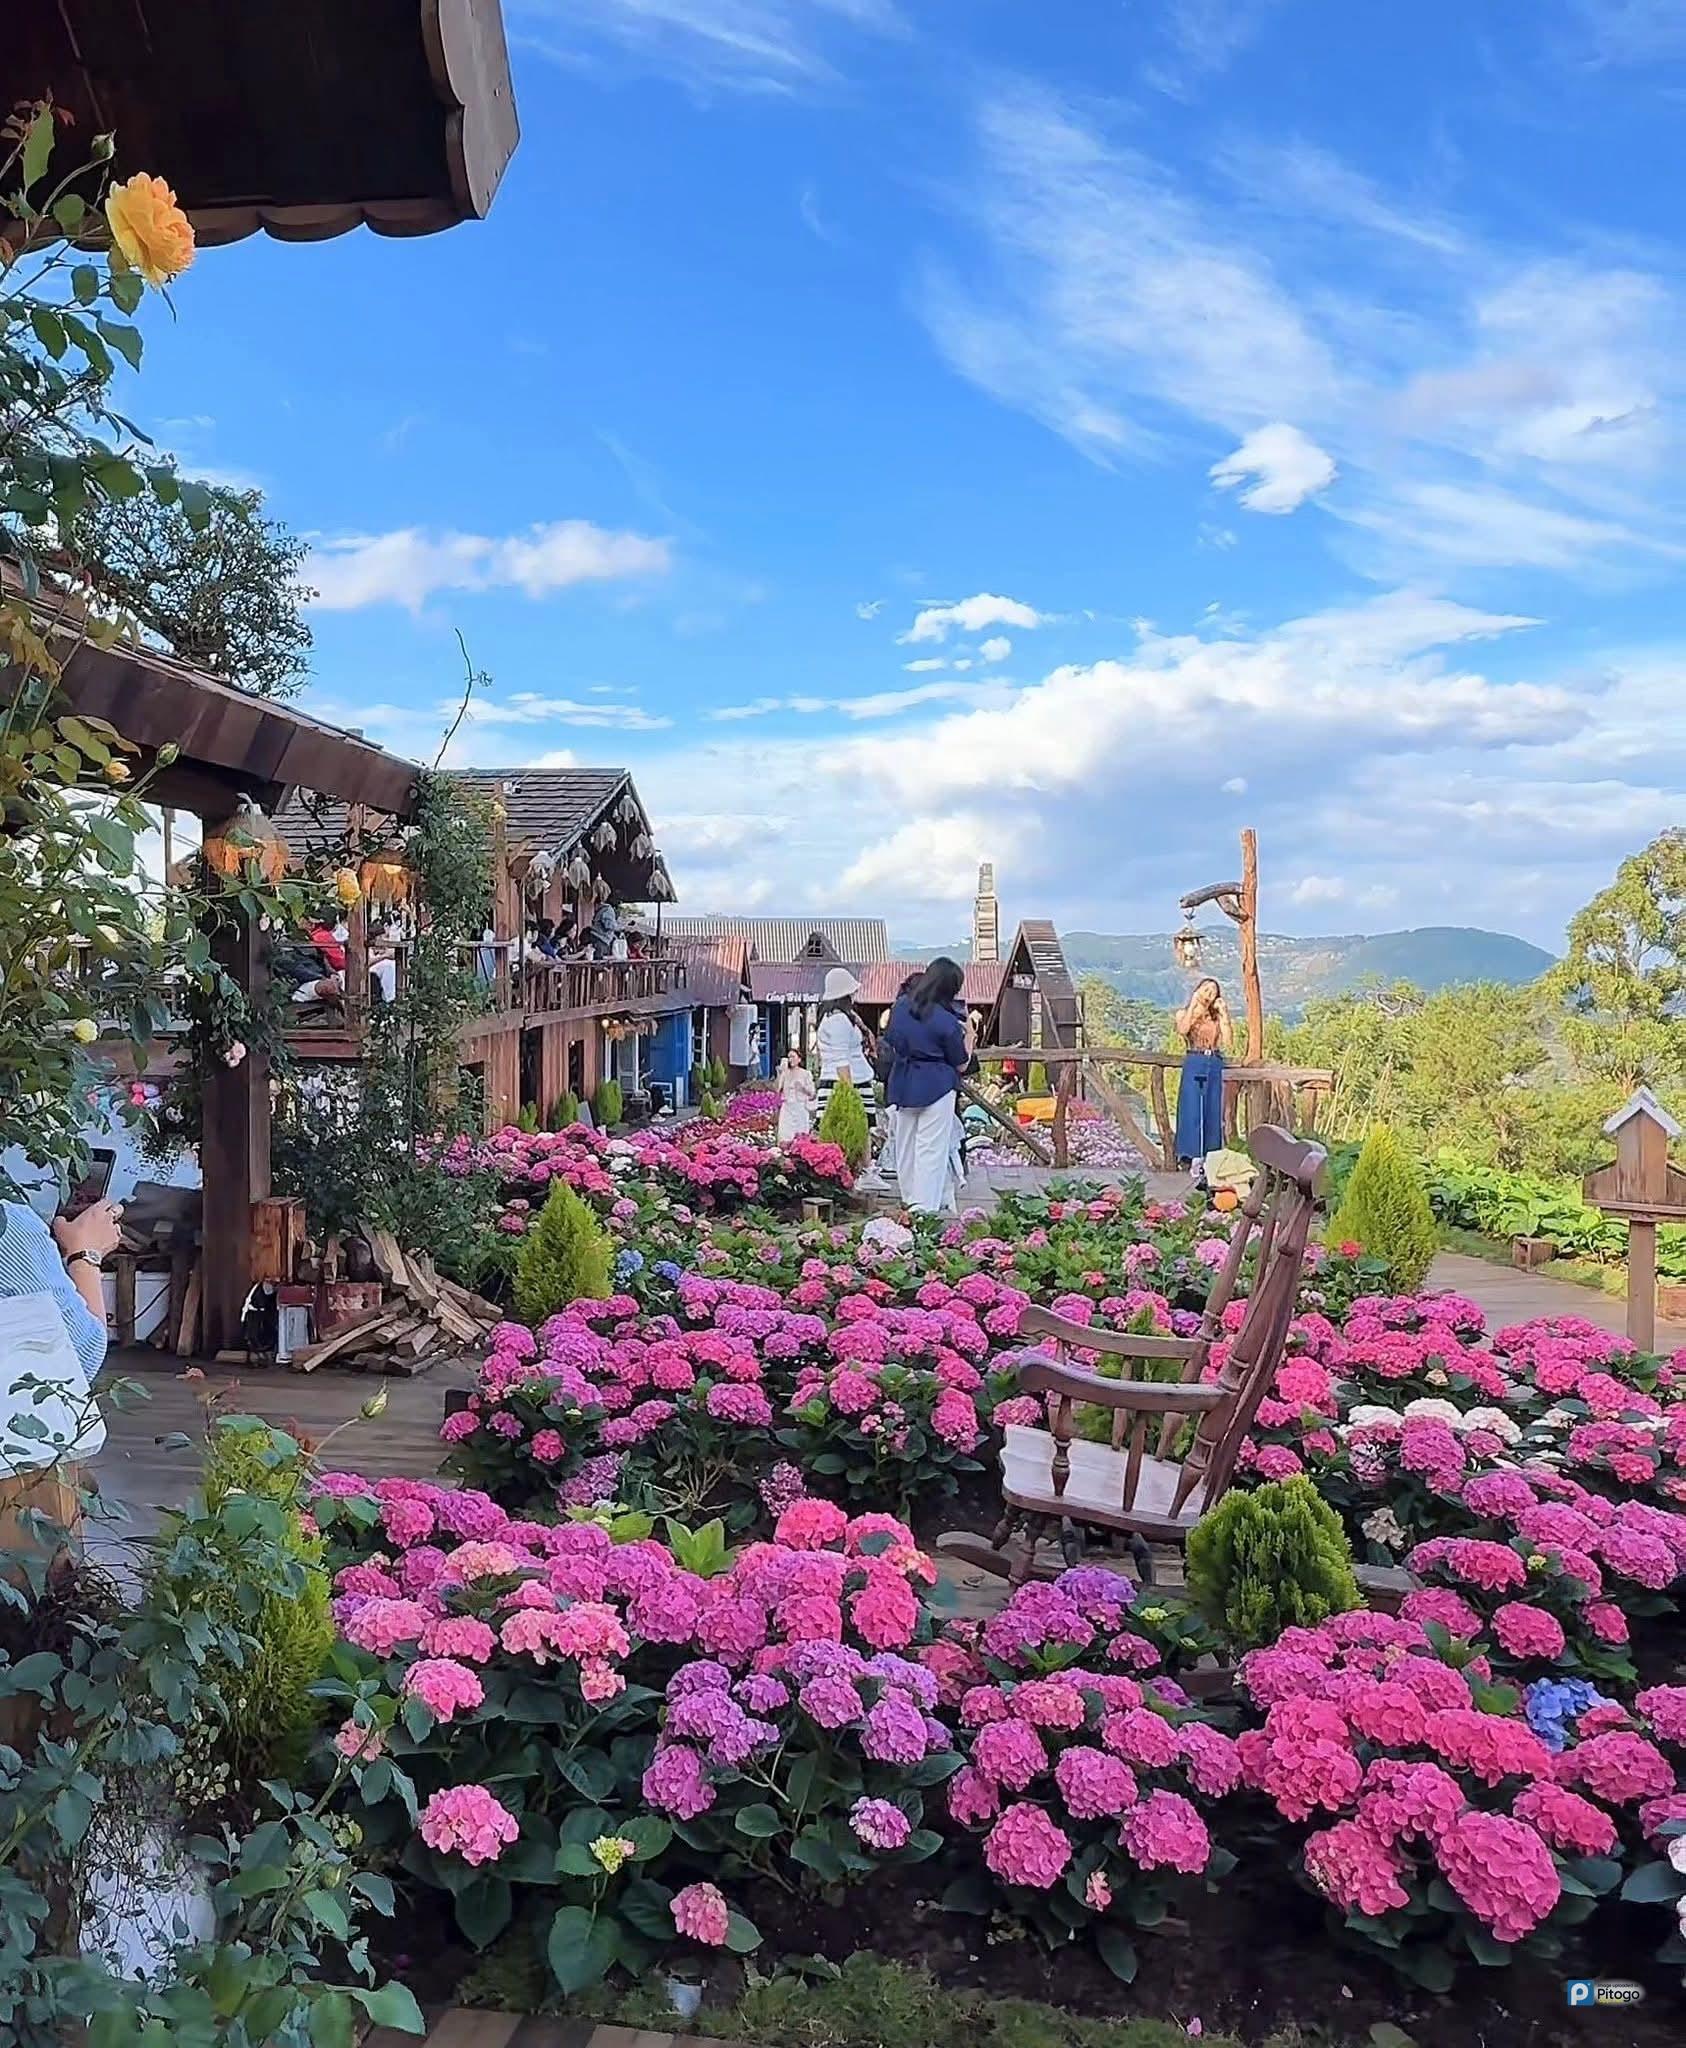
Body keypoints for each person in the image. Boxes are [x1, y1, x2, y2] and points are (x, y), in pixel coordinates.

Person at [883, 957, 969, 1214]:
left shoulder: (900, 1008)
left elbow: (891, 1039)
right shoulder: (946, 1021)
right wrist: (971, 1036)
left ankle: (909, 1202)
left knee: (905, 1147)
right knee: (931, 1150)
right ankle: (924, 1211)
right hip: (937, 1084)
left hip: (904, 1080)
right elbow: (961, 1063)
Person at [1174, 977, 1232, 1187]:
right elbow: (1183, 1029)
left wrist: (1224, 1015)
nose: (1209, 994)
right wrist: (1193, 1003)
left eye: (1213, 991)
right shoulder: (1184, 1012)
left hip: (1214, 1060)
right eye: (1206, 989)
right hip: (1195, 1058)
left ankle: (1211, 1155)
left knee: (1212, 1108)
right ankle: (1191, 1154)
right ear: (1198, 989)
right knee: (1192, 1107)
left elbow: (1228, 1041)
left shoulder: (1215, 1018)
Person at [814, 969, 877, 1140]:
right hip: (849, 1082)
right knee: (857, 1134)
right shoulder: (838, 1020)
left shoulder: (837, 1017)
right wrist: (849, 1094)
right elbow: (841, 1061)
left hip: (843, 1080)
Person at [775, 1047, 817, 1141]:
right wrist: (780, 1073)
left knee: (801, 1134)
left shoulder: (806, 1074)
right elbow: (777, 1089)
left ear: (799, 1059)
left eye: (793, 1057)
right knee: (785, 1134)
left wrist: (802, 1088)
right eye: (789, 1057)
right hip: (787, 1107)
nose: (791, 1059)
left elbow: (812, 1094)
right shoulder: (785, 1073)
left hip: (800, 1107)